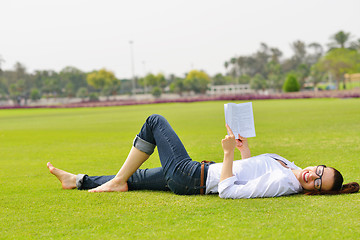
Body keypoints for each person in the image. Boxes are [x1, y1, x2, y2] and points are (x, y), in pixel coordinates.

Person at [47, 114, 359, 198]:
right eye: (319, 171)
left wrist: (225, 156)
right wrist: (242, 150)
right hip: (194, 175)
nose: (312, 176)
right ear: (318, 164)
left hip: (192, 176)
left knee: (155, 121)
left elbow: (229, 191)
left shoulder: (282, 184)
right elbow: (248, 168)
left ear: (314, 191)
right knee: (137, 179)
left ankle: (115, 181)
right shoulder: (289, 167)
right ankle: (77, 180)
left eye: (318, 184)